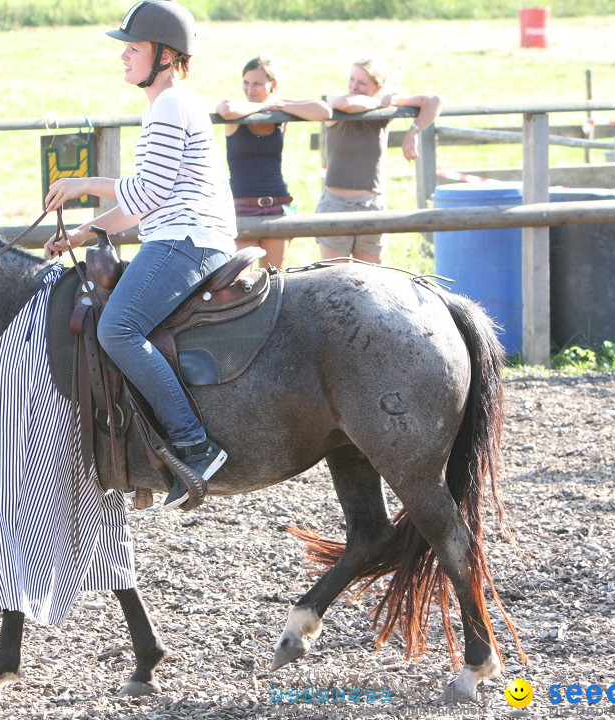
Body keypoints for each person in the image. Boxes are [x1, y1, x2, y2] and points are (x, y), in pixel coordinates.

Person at [43, 0, 236, 511]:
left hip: (186, 240)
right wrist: (84, 233)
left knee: (117, 329)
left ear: (166, 54)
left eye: (133, 47)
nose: (123, 56)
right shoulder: (167, 104)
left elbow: (145, 194)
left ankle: (194, 444)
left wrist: (82, 183)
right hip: (178, 233)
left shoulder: (170, 104)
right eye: (125, 47)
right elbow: (140, 204)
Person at [318, 57, 442, 264]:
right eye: (352, 80)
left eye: (362, 83)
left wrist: (414, 132)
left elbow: (434, 100)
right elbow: (344, 103)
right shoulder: (340, 106)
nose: (353, 86)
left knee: (370, 282)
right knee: (333, 281)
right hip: (336, 204)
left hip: (371, 205)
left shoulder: (384, 111)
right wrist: (380, 102)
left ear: (379, 87)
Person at [216, 56, 331, 269]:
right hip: (241, 206)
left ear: (273, 85)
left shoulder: (279, 114)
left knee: (275, 277)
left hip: (277, 204)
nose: (250, 89)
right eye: (246, 83)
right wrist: (266, 104)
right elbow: (227, 110)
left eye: (258, 84)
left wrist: (280, 105)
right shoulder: (238, 113)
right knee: (239, 280)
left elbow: (324, 111)